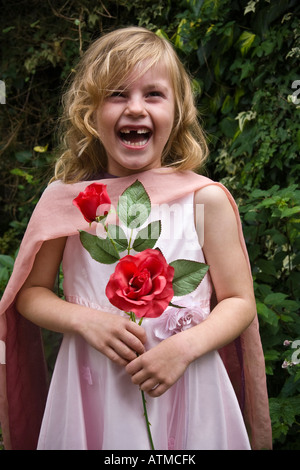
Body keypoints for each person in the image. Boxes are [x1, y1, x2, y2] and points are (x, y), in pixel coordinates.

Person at [0, 27, 272, 450]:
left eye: (154, 95)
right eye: (117, 95)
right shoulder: (69, 200)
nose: (135, 109)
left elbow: (239, 302)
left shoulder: (204, 200)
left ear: (178, 111)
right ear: (90, 111)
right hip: (94, 390)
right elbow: (30, 294)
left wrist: (184, 349)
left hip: (188, 384)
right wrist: (84, 319)